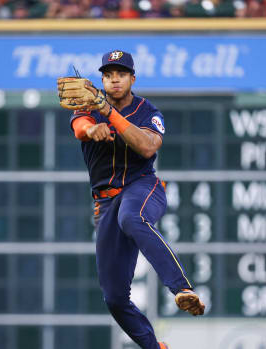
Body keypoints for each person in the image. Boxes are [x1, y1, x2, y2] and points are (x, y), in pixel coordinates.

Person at [60, 50, 205, 349]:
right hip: (105, 203)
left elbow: (149, 146)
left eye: (121, 74)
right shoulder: (88, 105)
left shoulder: (147, 110)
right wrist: (91, 127)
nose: (115, 79)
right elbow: (79, 129)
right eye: (109, 74)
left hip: (142, 187)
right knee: (114, 298)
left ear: (132, 78)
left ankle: (181, 288)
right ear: (101, 79)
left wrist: (109, 114)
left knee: (133, 217)